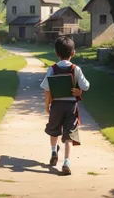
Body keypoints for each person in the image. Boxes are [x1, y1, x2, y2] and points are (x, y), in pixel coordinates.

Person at [40, 36, 90, 175]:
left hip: (56, 105)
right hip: (71, 107)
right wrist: (79, 90)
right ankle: (67, 162)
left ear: (56, 53)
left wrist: (46, 106)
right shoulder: (76, 69)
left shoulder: (52, 69)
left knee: (53, 130)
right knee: (69, 135)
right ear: (73, 53)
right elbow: (86, 86)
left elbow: (47, 89)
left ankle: (54, 151)